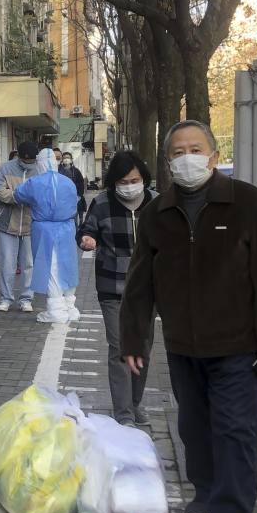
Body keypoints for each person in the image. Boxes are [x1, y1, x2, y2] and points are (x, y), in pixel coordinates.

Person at [120, 120, 257, 513]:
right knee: (194, 431)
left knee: (236, 436)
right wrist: (132, 338)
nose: (187, 158)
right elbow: (140, 281)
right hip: (183, 348)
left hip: (240, 348)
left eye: (195, 149)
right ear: (167, 161)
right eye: (177, 152)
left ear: (214, 156)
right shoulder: (157, 215)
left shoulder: (249, 203)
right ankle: (206, 490)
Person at [77, 150, 157, 428]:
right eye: (122, 181)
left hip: (148, 289)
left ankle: (135, 403)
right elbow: (86, 230)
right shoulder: (101, 203)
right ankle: (123, 413)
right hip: (112, 285)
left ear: (144, 179)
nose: (129, 185)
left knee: (143, 348)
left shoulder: (157, 203)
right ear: (114, 182)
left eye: (134, 180)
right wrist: (87, 238)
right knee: (121, 347)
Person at [13, 148, 81, 323]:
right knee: (68, 264)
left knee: (50, 267)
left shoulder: (35, 182)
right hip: (66, 227)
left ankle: (55, 309)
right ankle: (70, 306)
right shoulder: (68, 182)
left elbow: (18, 194)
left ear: (40, 163)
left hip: (44, 229)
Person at [0, 140, 38, 312]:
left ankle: (26, 298)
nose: (28, 163)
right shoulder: (5, 168)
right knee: (7, 263)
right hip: (7, 223)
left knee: (28, 264)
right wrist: (18, 196)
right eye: (25, 160)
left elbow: (43, 192)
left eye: (31, 160)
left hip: (31, 223)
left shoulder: (39, 170)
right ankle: (6, 298)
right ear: (18, 156)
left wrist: (31, 198)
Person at [58, 151, 87, 225]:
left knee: (74, 220)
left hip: (74, 198)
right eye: (64, 158)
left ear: (71, 159)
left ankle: (75, 233)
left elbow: (81, 183)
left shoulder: (76, 171)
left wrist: (79, 195)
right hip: (61, 198)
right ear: (62, 159)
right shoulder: (58, 170)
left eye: (68, 158)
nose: (66, 159)